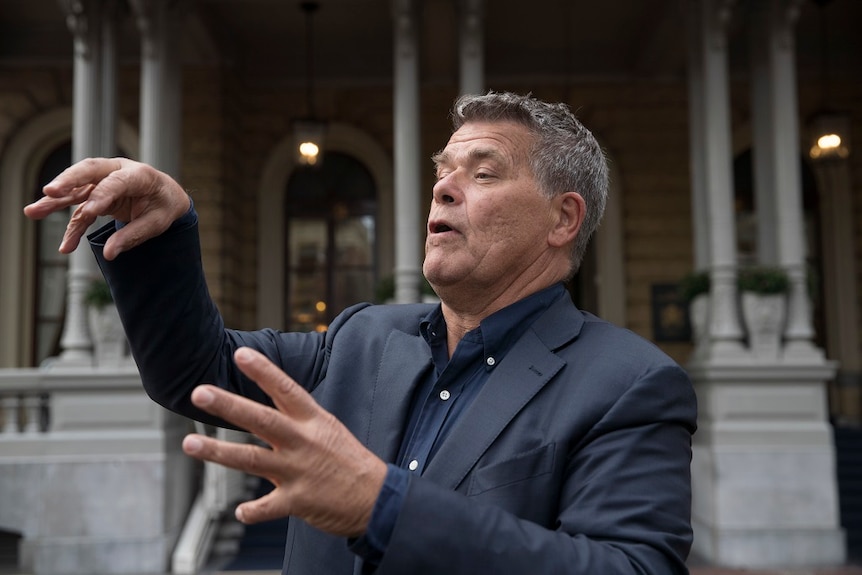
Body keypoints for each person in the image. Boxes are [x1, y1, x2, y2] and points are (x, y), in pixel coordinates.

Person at [25, 91, 697, 574]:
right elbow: (193, 368)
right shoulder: (362, 337)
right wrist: (161, 237)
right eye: (442, 172)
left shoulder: (630, 384)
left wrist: (383, 507)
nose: (443, 188)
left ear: (563, 218)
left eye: (483, 172)